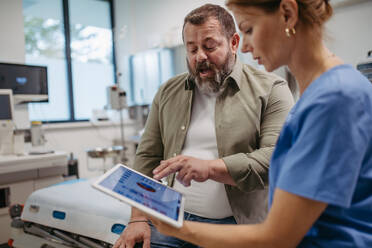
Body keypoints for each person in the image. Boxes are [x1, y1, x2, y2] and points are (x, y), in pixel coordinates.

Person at [147, 0, 372, 247]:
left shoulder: (335, 98)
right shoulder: (323, 93)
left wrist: (177, 228)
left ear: (287, 14)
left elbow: (278, 236)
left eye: (248, 29)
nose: (243, 46)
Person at [114, 4, 294, 248]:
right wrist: (137, 218)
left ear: (233, 43)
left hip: (236, 225)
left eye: (209, 47)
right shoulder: (168, 91)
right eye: (192, 49)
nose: (200, 56)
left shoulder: (272, 89)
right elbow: (147, 156)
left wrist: (209, 168)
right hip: (170, 220)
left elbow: (275, 160)